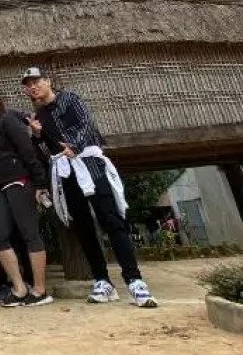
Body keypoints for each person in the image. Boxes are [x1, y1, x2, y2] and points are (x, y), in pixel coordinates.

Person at [21, 67, 157, 308]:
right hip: (65, 172)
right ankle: (102, 280)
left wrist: (74, 145)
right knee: (82, 226)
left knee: (111, 220)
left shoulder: (69, 98)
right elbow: (45, 152)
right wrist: (38, 135)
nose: (33, 87)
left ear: (48, 80)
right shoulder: (39, 116)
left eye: (36, 81)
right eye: (28, 84)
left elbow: (85, 123)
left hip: (90, 163)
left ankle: (134, 280)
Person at [0, 88, 53, 307]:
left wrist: (40, 183)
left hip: (20, 181)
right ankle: (19, 288)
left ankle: (40, 290)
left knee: (29, 233)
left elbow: (27, 151)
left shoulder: (9, 120)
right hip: (0, 188)